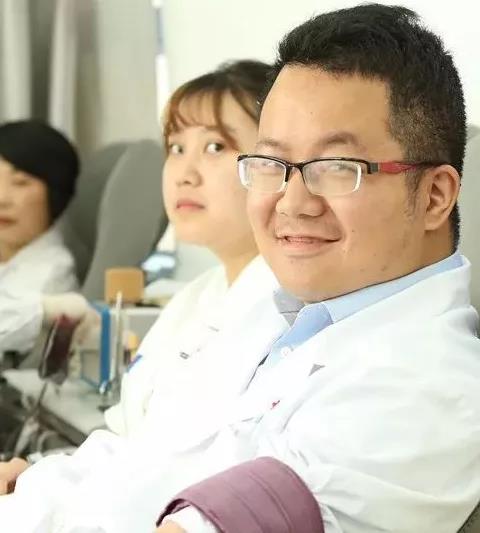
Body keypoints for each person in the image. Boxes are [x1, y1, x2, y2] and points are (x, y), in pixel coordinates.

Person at [2, 5, 480, 533]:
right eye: (272, 164)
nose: (292, 202)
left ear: (435, 196)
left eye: (336, 167)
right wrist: (39, 486)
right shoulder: (285, 316)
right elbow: (147, 454)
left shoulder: (426, 393)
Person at [0, 59, 276, 486]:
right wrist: (37, 475)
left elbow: (189, 479)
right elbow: (127, 439)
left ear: (281, 162)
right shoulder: (194, 298)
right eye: (176, 149)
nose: (184, 174)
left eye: (215, 147)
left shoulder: (287, 316)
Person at [0, 120, 90, 356]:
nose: (2, 198)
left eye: (20, 183)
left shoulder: (53, 272)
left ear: (54, 192)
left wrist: (44, 309)